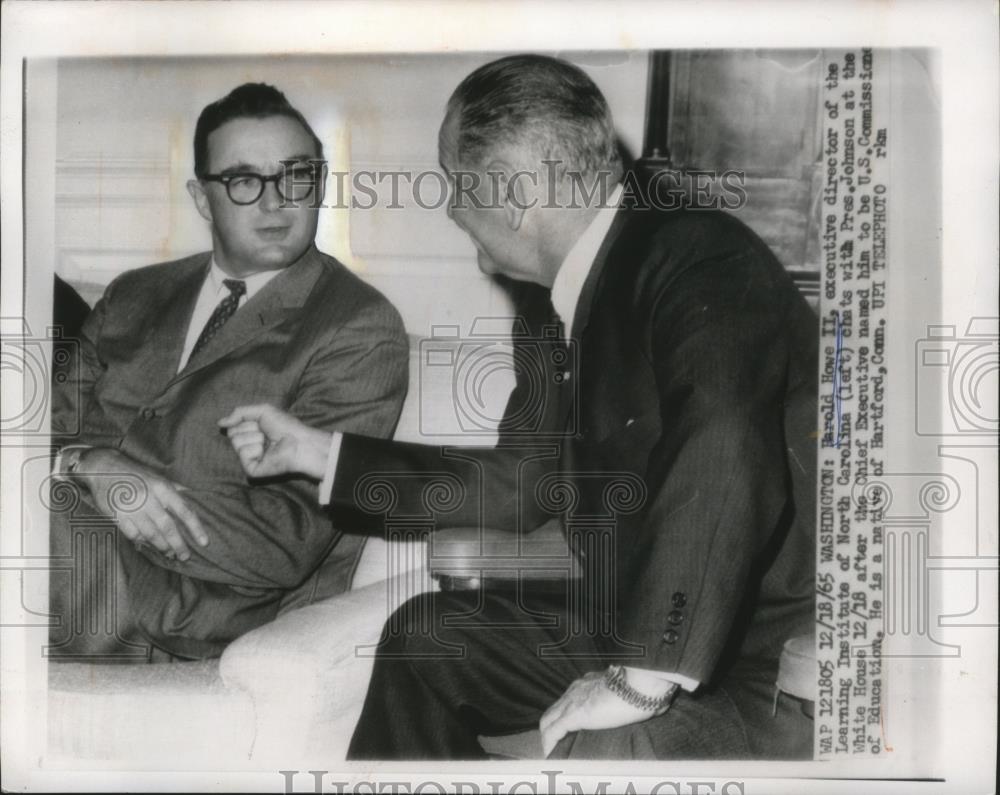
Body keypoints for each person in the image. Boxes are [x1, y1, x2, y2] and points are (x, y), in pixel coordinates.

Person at [221, 55, 818, 759]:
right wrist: (325, 454)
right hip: (619, 622)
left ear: (507, 195)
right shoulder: (550, 302)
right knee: (426, 639)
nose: (447, 210)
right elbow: (519, 485)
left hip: (760, 658)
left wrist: (637, 679)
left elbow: (722, 443)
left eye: (453, 184)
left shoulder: (699, 258)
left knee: (609, 743)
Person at [48, 82, 409, 661]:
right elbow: (38, 430)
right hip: (66, 566)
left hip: (194, 613)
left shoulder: (359, 326)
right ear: (200, 197)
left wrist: (121, 498)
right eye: (244, 180)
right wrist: (88, 464)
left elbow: (288, 538)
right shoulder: (135, 295)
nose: (276, 202)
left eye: (296, 175)